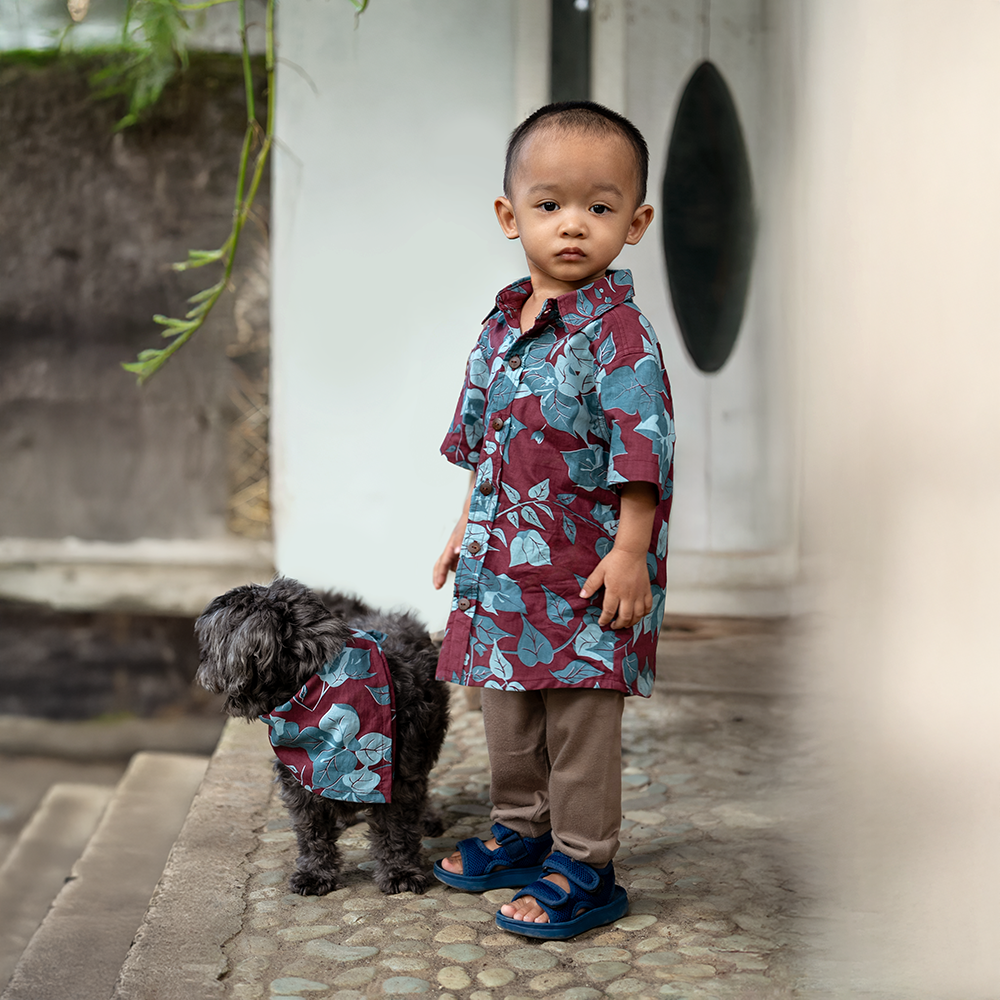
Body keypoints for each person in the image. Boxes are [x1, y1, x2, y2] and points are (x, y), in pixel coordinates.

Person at [431, 101, 674, 940]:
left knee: (577, 720)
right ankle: (521, 831)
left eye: (600, 208)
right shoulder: (501, 328)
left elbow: (643, 452)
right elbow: (486, 443)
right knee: (507, 711)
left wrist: (632, 552)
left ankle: (585, 862)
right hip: (504, 573)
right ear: (511, 216)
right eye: (549, 205)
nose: (574, 224)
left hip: (585, 574)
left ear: (635, 223)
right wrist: (467, 528)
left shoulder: (621, 336)